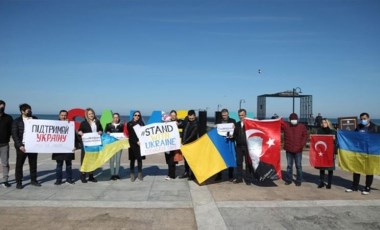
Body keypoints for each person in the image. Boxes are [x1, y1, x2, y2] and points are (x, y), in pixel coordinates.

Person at [345, 112, 379, 195]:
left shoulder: (376, 128)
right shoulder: (359, 127)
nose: (363, 120)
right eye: (361, 119)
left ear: (369, 118)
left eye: (364, 118)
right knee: (356, 169)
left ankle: (367, 187)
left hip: (370, 152)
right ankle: (354, 187)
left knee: (369, 170)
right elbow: (354, 137)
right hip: (359, 151)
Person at [11, 103, 41, 189]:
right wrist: (20, 145)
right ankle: (19, 182)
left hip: (33, 145)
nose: (30, 111)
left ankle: (33, 180)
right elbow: (14, 135)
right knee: (19, 164)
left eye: (30, 110)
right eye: (28, 110)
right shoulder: (17, 121)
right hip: (22, 146)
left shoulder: (35, 119)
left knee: (33, 164)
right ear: (22, 111)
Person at [52, 110, 78, 185]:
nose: (64, 117)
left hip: (68, 149)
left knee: (69, 165)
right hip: (58, 149)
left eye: (65, 115)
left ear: (67, 116)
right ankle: (58, 180)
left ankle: (69, 179)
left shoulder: (70, 125)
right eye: (62, 115)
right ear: (59, 116)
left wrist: (75, 146)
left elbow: (74, 137)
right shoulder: (54, 124)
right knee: (59, 165)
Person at [281, 113, 308, 186]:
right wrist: (279, 119)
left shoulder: (302, 126)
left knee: (298, 166)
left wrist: (301, 145)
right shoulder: (286, 125)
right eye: (292, 119)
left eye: (295, 119)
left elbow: (305, 135)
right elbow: (278, 125)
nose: (294, 120)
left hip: (298, 150)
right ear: (289, 119)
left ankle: (299, 180)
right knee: (289, 166)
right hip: (288, 149)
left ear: (297, 119)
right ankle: (289, 180)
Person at [78, 108, 103, 183]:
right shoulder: (83, 123)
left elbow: (101, 129)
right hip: (86, 144)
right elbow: (79, 130)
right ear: (87, 115)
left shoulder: (97, 122)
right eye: (89, 114)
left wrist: (100, 131)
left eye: (92, 113)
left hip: (95, 144)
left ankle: (91, 176)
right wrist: (80, 133)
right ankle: (83, 175)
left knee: (93, 160)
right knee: (84, 159)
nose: (91, 115)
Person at [231, 108, 253, 184]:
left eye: (242, 115)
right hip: (239, 146)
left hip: (247, 146)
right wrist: (231, 136)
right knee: (239, 163)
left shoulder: (250, 124)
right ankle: (239, 178)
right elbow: (234, 135)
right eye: (239, 115)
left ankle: (248, 179)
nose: (241, 116)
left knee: (248, 163)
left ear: (245, 115)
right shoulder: (236, 124)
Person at [215, 108, 236, 181]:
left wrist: (234, 130)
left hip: (230, 141)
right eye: (223, 115)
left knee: (230, 157)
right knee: (219, 158)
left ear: (228, 114)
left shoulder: (233, 121)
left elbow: (235, 132)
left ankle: (230, 176)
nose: (224, 116)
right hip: (221, 142)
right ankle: (219, 175)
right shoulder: (218, 121)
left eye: (225, 115)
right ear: (221, 115)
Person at [316, 118, 336, 189]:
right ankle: (321, 182)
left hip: (330, 152)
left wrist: (334, 139)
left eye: (325, 122)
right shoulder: (319, 130)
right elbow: (317, 140)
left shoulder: (333, 131)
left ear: (328, 123)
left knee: (330, 169)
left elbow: (336, 142)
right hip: (322, 152)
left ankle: (329, 183)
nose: (324, 124)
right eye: (323, 122)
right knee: (322, 168)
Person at [179, 110, 199, 180]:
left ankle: (193, 175)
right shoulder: (186, 119)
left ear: (194, 116)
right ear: (188, 116)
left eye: (192, 118)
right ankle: (186, 172)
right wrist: (177, 124)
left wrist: (184, 143)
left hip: (191, 144)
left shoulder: (196, 123)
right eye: (190, 118)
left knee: (192, 160)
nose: (191, 120)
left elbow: (192, 135)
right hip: (185, 144)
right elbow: (182, 125)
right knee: (186, 159)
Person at [164, 110, 183, 180]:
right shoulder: (167, 122)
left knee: (173, 160)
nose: (173, 116)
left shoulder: (178, 121)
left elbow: (183, 122)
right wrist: (165, 124)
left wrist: (178, 124)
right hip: (167, 144)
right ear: (170, 115)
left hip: (174, 144)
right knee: (169, 160)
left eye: (174, 115)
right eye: (172, 115)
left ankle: (171, 175)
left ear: (176, 115)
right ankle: (171, 174)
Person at [105, 112, 124, 180]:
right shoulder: (108, 125)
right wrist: (107, 133)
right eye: (114, 117)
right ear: (112, 118)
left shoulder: (122, 125)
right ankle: (112, 174)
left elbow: (124, 135)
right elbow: (105, 134)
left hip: (119, 145)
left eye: (117, 117)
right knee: (112, 160)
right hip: (111, 145)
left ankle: (117, 174)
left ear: (119, 118)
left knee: (118, 160)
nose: (116, 118)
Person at [127, 111, 145, 182]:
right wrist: (136, 141)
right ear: (133, 116)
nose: (137, 116)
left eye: (138, 115)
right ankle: (132, 174)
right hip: (132, 143)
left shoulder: (142, 123)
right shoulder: (129, 123)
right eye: (135, 115)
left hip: (140, 144)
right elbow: (130, 135)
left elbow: (144, 133)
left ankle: (140, 173)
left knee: (139, 159)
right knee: (132, 160)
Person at [0, 100, 13, 188]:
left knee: (5, 163)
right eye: (0, 106)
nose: (2, 108)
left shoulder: (8, 117)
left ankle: (5, 180)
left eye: (3, 106)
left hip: (4, 144)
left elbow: (12, 130)